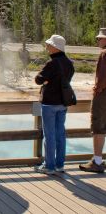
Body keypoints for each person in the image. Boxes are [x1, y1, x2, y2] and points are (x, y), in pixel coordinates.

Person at [34, 35, 74, 174]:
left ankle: (49, 166)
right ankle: (59, 165)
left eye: (49, 45)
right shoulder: (69, 63)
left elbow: (38, 79)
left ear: (55, 47)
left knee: (49, 135)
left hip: (49, 103)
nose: (47, 47)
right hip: (63, 103)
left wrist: (46, 81)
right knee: (60, 134)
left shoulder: (52, 63)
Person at [79, 28, 106, 173]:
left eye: (100, 38)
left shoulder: (104, 54)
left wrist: (97, 90)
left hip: (103, 97)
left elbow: (102, 77)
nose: (98, 40)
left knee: (98, 127)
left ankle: (97, 161)